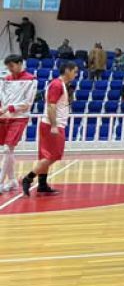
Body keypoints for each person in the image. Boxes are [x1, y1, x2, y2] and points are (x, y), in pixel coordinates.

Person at [21, 61, 79, 197]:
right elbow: (51, 106)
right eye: (74, 71)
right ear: (67, 70)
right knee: (53, 155)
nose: (76, 74)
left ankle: (42, 185)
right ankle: (28, 178)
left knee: (46, 156)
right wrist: (53, 125)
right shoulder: (57, 85)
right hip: (52, 125)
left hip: (52, 124)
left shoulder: (60, 85)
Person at [0, 54, 37, 193]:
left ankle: (1, 181)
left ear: (20, 63)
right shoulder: (6, 79)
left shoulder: (31, 79)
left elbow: (28, 102)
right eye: (8, 67)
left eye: (12, 66)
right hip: (4, 117)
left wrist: (9, 108)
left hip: (20, 117)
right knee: (8, 150)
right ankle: (12, 180)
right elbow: (2, 97)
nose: (10, 69)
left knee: (7, 149)